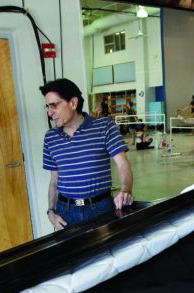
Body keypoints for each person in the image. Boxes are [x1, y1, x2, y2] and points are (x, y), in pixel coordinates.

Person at [41, 78, 134, 230]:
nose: (49, 113)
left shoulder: (105, 126)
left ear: (73, 103)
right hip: (66, 212)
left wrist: (126, 189)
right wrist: (50, 211)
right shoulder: (50, 137)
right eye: (47, 107)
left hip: (100, 208)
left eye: (54, 105)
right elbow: (54, 181)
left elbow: (123, 163)